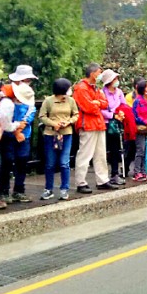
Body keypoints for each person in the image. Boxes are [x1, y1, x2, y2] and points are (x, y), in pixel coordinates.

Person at [72, 63, 118, 193]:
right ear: (92, 74)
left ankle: (102, 180)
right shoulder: (81, 88)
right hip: (87, 124)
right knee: (85, 154)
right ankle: (81, 182)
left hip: (98, 123)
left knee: (101, 154)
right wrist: (97, 103)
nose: (100, 75)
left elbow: (105, 103)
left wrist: (96, 103)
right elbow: (88, 107)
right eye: (99, 73)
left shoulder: (95, 88)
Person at [0, 65, 38, 204]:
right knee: (7, 161)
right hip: (8, 132)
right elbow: (4, 115)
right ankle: (3, 191)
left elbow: (31, 111)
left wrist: (21, 128)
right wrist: (15, 131)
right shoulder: (6, 91)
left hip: (24, 133)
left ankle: (19, 190)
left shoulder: (29, 92)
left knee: (22, 160)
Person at [38, 78, 79, 201]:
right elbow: (42, 116)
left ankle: (64, 188)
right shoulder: (48, 101)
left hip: (66, 134)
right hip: (51, 134)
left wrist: (68, 122)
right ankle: (48, 189)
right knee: (50, 163)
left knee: (64, 162)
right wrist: (53, 123)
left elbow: (76, 114)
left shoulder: (71, 101)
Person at [98, 69, 127, 187]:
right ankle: (103, 176)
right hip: (106, 123)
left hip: (117, 122)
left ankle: (115, 173)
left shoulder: (119, 92)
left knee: (116, 149)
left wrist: (121, 114)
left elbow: (123, 104)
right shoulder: (102, 93)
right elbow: (101, 109)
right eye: (114, 79)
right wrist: (112, 115)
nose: (117, 81)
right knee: (104, 150)